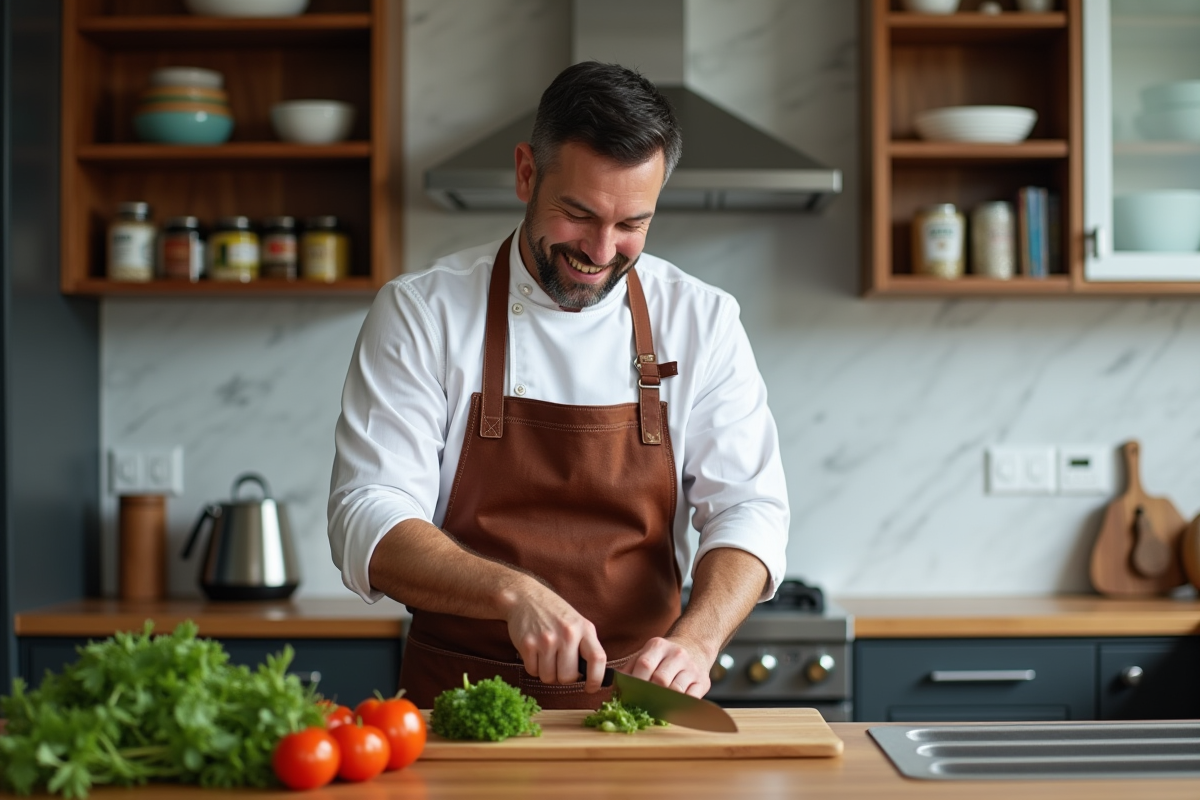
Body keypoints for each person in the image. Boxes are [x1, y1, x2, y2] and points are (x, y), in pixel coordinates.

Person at [328, 61, 789, 709]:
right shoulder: (422, 312)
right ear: (525, 173)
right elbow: (367, 516)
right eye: (579, 214)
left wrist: (698, 638)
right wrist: (513, 594)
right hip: (458, 705)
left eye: (632, 224)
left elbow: (750, 509)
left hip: (639, 707)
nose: (602, 251)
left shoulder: (702, 319)